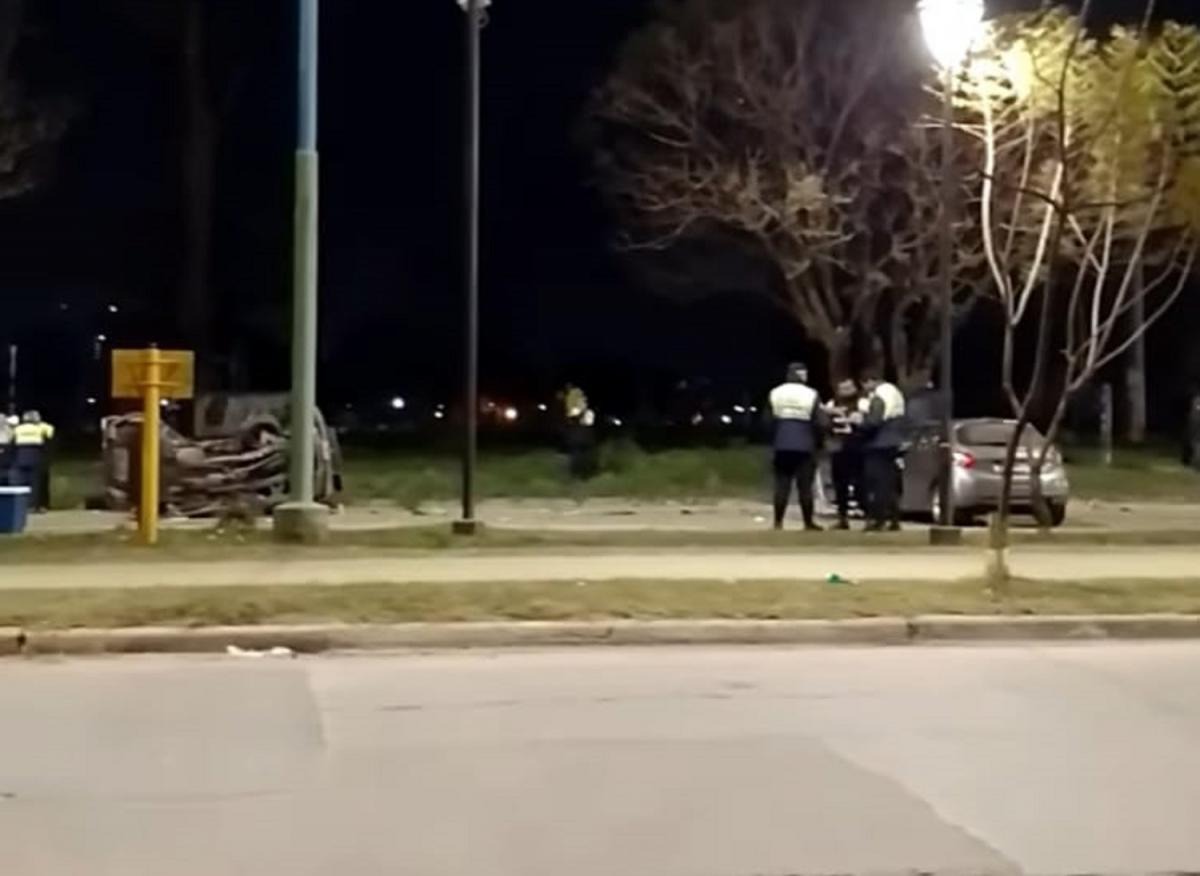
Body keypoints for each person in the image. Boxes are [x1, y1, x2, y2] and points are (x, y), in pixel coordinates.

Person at [768, 362, 827, 531]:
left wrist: (774, 438)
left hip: (782, 443)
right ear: (801, 375)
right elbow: (820, 422)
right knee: (805, 487)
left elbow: (768, 421)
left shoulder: (775, 393)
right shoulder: (811, 394)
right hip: (805, 444)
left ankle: (778, 522)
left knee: (782, 485)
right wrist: (820, 441)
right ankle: (808, 522)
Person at [859, 373, 906, 532]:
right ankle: (894, 519)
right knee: (890, 482)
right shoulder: (895, 392)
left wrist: (860, 422)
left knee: (876, 483)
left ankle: (878, 519)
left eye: (864, 385)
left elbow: (874, 421)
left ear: (870, 381)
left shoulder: (879, 396)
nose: (865, 389)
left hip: (879, 444)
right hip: (893, 442)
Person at [824, 379, 866, 530]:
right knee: (840, 483)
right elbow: (825, 423)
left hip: (857, 447)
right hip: (838, 447)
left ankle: (865, 514)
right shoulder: (832, 403)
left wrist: (857, 420)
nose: (846, 391)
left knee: (861, 481)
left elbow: (867, 422)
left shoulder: (862, 403)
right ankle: (843, 517)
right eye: (843, 388)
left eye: (849, 387)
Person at [13, 410, 55, 512]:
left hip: (21, 457)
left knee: (22, 483)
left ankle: (22, 505)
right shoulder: (41, 427)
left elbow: (12, 440)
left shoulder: (18, 429)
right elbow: (51, 433)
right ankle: (34, 505)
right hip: (35, 456)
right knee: (36, 483)